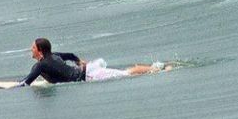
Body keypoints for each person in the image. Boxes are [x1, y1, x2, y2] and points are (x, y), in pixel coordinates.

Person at [18, 38, 166, 86]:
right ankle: (154, 68)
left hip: (89, 76)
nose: (31, 50)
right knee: (125, 72)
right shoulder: (53, 55)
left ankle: (157, 68)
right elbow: (70, 55)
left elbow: (26, 82)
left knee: (127, 73)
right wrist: (78, 61)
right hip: (88, 70)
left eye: (33, 48)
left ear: (40, 51)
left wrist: (12, 88)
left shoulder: (41, 64)